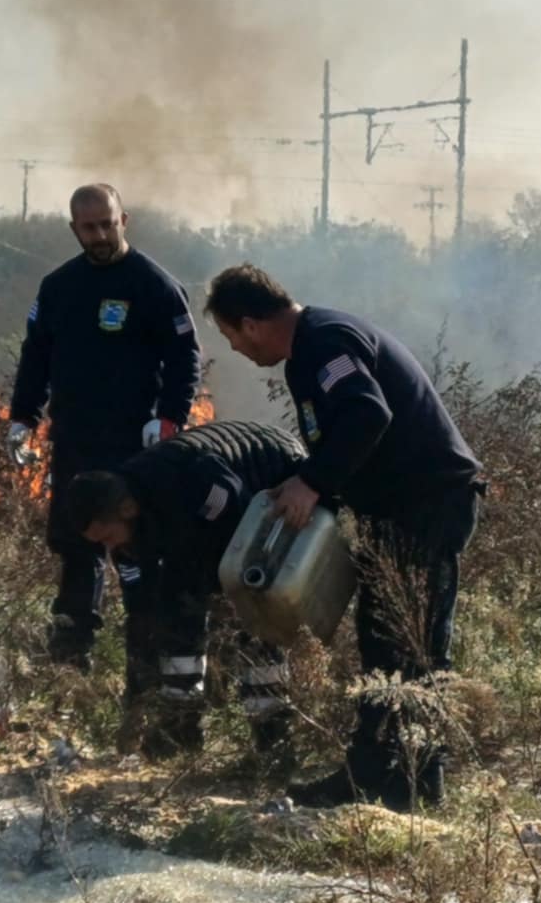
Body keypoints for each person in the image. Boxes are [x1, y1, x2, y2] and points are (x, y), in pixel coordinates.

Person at [204, 263, 483, 810]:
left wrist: (312, 482)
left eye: (230, 336)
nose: (235, 350)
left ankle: (421, 786)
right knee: (382, 645)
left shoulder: (324, 342)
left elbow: (365, 413)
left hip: (428, 504)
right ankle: (367, 775)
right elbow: (345, 440)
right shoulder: (306, 353)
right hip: (394, 509)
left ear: (251, 324)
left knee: (417, 645)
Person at [9, 183, 202, 684]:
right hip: (74, 438)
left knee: (139, 550)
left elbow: (185, 358)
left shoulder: (154, 285)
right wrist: (22, 416)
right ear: (73, 229)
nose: (98, 235)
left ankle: (148, 657)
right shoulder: (58, 287)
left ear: (124, 220)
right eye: (87, 227)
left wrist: (170, 416)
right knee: (77, 545)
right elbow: (36, 355)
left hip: (136, 447)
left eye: (106, 224)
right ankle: (72, 659)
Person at [59, 420, 305, 756]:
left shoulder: (183, 479)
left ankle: (273, 736)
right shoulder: (129, 529)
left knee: (253, 616)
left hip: (272, 479)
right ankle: (180, 730)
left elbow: (236, 508)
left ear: (127, 510)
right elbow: (143, 612)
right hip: (200, 523)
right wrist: (137, 698)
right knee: (174, 609)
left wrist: (220, 589)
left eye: (107, 537)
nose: (109, 549)